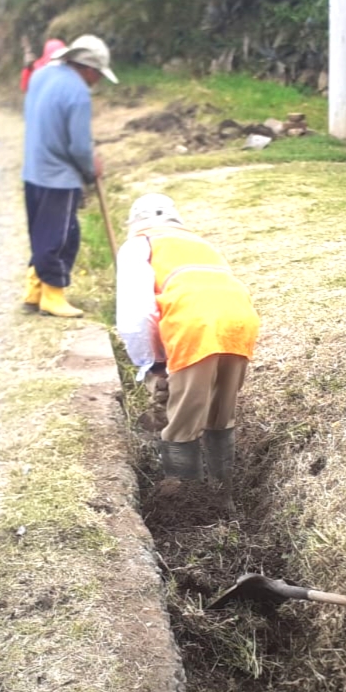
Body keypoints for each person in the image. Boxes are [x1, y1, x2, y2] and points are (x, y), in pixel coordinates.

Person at [115, 194, 260, 487]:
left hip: (194, 326)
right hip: (239, 322)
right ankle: (223, 496)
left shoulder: (138, 245)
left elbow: (138, 315)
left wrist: (153, 362)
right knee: (221, 417)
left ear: (135, 223)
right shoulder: (200, 243)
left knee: (182, 423)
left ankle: (187, 499)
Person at [21, 33, 117, 318]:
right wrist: (91, 168)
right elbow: (79, 146)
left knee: (40, 233)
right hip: (58, 177)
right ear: (87, 68)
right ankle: (52, 296)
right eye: (98, 74)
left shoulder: (41, 76)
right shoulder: (77, 93)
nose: (97, 81)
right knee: (60, 237)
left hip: (33, 170)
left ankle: (34, 291)